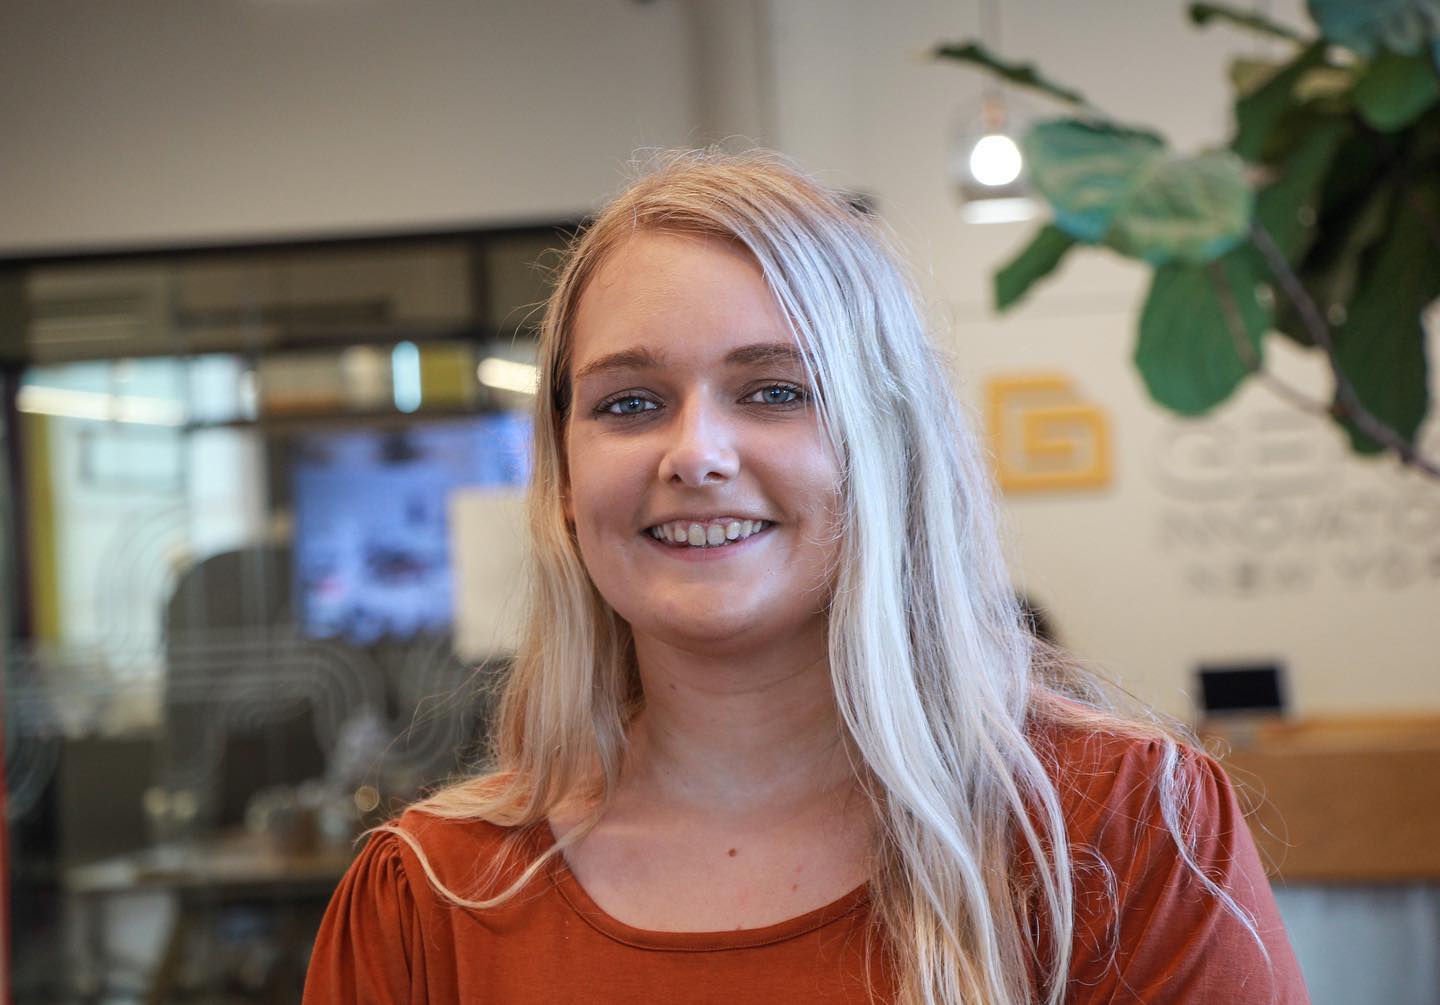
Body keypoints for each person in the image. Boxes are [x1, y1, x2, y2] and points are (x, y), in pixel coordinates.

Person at [302, 150, 1308, 1004]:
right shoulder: (431, 898)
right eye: (630, 403)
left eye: (775, 391)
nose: (695, 453)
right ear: (563, 478)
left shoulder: (1118, 833)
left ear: (890, 450)